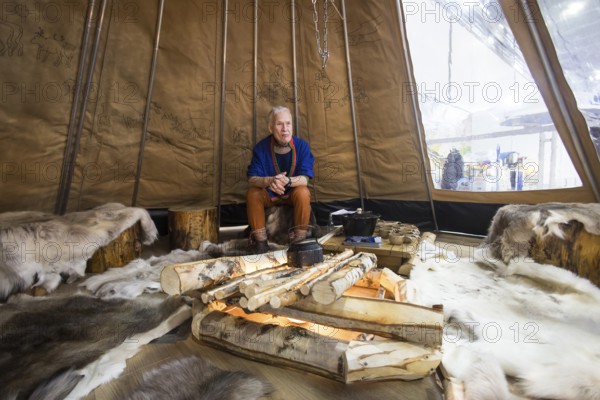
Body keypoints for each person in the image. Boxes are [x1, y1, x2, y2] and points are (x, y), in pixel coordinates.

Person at [246, 106, 315, 253]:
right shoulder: (261, 148)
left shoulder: (302, 146)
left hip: (291, 194)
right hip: (270, 194)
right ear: (271, 128)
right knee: (253, 193)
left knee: (303, 192)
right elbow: (252, 179)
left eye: (288, 123)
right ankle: (261, 243)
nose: (285, 128)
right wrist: (270, 181)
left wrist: (288, 181)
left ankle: (299, 241)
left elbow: (304, 179)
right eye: (279, 124)